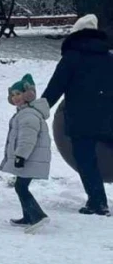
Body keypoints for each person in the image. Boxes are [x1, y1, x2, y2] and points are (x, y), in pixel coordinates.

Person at [41, 14, 113, 216]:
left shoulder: (71, 58)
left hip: (81, 117)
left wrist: (39, 109)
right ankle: (97, 202)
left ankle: (97, 201)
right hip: (109, 116)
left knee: (85, 159)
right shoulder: (109, 58)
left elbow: (56, 87)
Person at [0, 74, 52, 229]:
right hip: (30, 158)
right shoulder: (25, 112)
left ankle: (38, 216)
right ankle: (28, 217)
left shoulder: (28, 114)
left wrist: (20, 156)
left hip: (29, 158)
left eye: (19, 94)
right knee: (20, 186)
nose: (15, 98)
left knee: (21, 187)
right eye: (13, 94)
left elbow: (27, 139)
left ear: (29, 94)